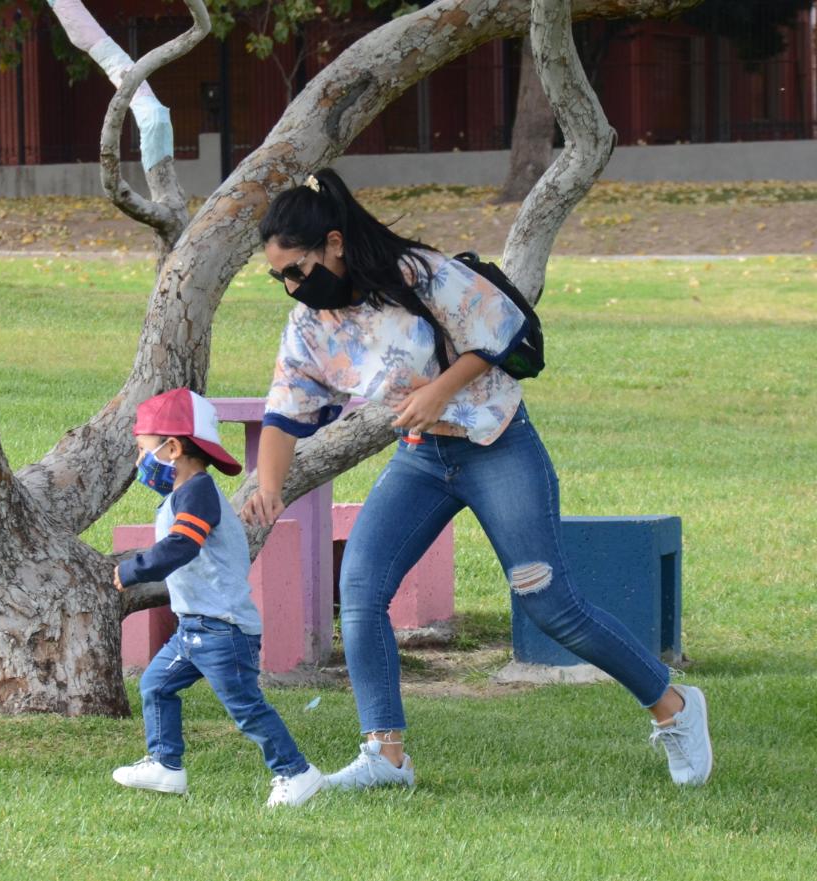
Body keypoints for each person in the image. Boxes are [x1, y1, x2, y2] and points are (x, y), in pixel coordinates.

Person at [242, 168, 712, 789]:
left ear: (333, 244)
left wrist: (440, 389)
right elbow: (285, 410)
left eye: (297, 271)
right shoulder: (310, 324)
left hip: (497, 444)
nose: (292, 288)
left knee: (550, 604)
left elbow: (500, 326)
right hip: (421, 459)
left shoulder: (418, 273)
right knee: (360, 588)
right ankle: (386, 757)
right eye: (279, 278)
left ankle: (675, 707)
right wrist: (269, 486)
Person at [112, 388, 326, 807]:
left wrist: (132, 570)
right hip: (194, 627)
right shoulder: (183, 496)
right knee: (155, 685)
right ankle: (165, 765)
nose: (139, 462)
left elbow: (181, 547)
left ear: (172, 449)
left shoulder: (199, 494)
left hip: (221, 630)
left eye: (143, 450)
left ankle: (296, 772)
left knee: (245, 707)